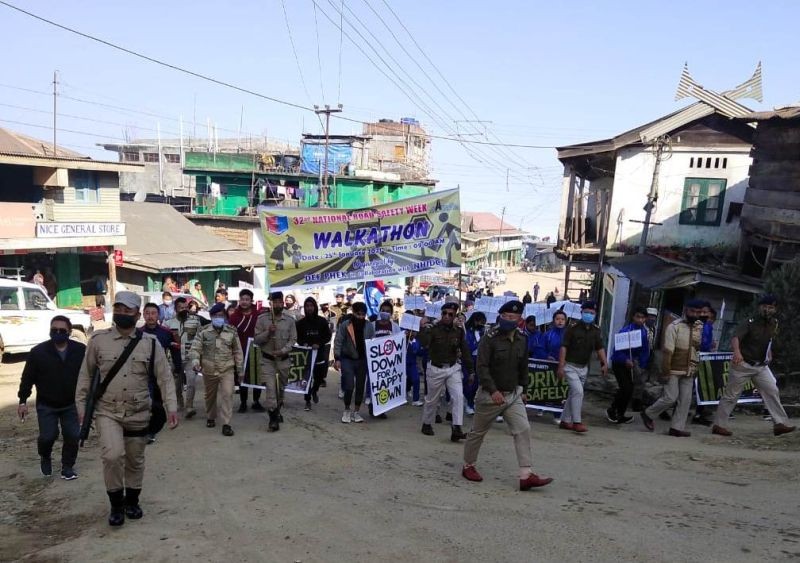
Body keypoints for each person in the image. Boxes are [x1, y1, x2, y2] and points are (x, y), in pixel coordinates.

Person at [75, 291, 178, 527]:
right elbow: (85, 376)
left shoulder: (150, 344)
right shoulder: (98, 341)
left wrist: (171, 407)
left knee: (135, 459)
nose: (122, 313)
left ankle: (132, 501)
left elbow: (165, 378)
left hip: (139, 411)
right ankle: (115, 505)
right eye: (118, 308)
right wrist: (81, 407)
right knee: (112, 456)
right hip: (107, 411)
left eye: (127, 310)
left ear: (137, 314)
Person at [462, 300, 553, 491]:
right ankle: (468, 465)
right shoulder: (490, 338)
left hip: (513, 395)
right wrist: (493, 390)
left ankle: (526, 474)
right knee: (478, 432)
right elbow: (482, 367)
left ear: (519, 319)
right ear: (500, 317)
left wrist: (525, 389)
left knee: (523, 428)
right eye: (505, 317)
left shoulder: (522, 338)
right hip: (490, 396)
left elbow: (524, 367)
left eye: (513, 317)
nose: (508, 320)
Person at [712, 295, 795, 437]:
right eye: (765, 307)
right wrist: (737, 352)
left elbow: (769, 339)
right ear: (759, 307)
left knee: (772, 390)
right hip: (743, 363)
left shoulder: (774, 323)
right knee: (731, 395)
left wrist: (769, 352)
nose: (767, 310)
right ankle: (719, 425)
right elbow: (736, 337)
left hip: (761, 365)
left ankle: (780, 424)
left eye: (770, 307)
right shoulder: (749, 322)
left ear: (775, 309)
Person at [17, 315, 86, 480]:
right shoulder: (38, 352)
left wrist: (88, 400)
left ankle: (67, 466)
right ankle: (45, 455)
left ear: (69, 332)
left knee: (72, 435)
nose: (57, 333)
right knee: (48, 435)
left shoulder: (80, 350)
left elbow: (89, 375)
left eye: (62, 330)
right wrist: (23, 401)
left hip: (71, 403)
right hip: (47, 404)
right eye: (54, 330)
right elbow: (27, 378)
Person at [640, 300, 704, 437]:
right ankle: (648, 413)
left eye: (698, 312)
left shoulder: (699, 327)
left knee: (685, 400)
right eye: (693, 311)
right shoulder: (674, 326)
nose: (695, 314)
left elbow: (697, 348)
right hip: (673, 369)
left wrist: (696, 367)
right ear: (686, 310)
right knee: (670, 397)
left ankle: (676, 428)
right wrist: (665, 371)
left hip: (690, 369)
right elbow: (667, 351)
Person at [418, 302, 475, 442]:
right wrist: (422, 327)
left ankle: (457, 428)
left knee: (458, 397)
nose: (447, 316)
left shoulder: (459, 331)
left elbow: (465, 350)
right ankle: (427, 423)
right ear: (441, 314)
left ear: (455, 315)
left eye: (451, 314)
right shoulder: (433, 329)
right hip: (436, 368)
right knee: (432, 399)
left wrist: (471, 370)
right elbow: (424, 343)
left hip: (453, 367)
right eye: (444, 313)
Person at [188, 303, 242, 437]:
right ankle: (211, 416)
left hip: (227, 369)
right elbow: (195, 348)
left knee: (228, 394)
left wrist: (240, 370)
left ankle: (226, 423)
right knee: (210, 396)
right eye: (216, 316)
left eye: (221, 315)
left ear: (224, 316)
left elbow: (237, 351)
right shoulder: (204, 331)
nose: (219, 318)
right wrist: (195, 362)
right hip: (209, 369)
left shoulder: (231, 331)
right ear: (211, 317)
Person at [557, 300, 608, 433]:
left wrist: (604, 363)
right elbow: (564, 347)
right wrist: (561, 366)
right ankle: (577, 422)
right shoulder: (572, 328)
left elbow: (600, 347)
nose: (589, 315)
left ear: (595, 314)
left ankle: (565, 420)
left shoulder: (596, 330)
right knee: (578, 392)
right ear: (581, 312)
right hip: (570, 366)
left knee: (574, 393)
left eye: (591, 313)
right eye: (586, 312)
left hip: (583, 367)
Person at [254, 291, 297, 432]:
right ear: (270, 304)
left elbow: (292, 340)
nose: (277, 304)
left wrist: (283, 350)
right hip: (268, 360)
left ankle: (278, 410)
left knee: (281, 390)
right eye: (274, 302)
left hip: (283, 361)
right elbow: (257, 340)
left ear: (283, 303)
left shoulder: (290, 320)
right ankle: (272, 419)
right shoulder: (262, 319)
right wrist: (268, 332)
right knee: (271, 389)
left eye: (280, 302)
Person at [139, 303, 181, 440]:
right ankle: (145, 429)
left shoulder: (166, 333)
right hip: (143, 373)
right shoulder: (138, 334)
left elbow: (175, 350)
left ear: (158, 315)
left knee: (157, 402)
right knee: (146, 402)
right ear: (143, 315)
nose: (150, 316)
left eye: (153, 313)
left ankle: (152, 429)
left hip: (160, 372)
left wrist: (178, 367)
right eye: (147, 313)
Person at [607, 307, 649, 425]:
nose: (640, 320)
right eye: (638, 317)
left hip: (632, 363)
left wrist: (642, 363)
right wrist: (625, 359)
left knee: (628, 389)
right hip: (619, 363)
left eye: (642, 317)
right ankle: (615, 411)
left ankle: (617, 411)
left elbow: (644, 350)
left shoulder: (644, 332)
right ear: (633, 317)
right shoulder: (625, 331)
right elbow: (617, 351)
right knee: (626, 388)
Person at [334, 302, 374, 424]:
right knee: (349, 385)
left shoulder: (369, 326)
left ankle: (356, 412)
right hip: (347, 359)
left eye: (363, 314)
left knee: (361, 385)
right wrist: (337, 359)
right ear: (353, 313)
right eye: (358, 314)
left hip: (363, 360)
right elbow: (338, 341)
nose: (361, 317)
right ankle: (346, 410)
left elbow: (373, 343)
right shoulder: (345, 325)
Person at [228, 289, 264, 413]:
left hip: (256, 349)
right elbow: (230, 334)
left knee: (256, 376)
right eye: (242, 299)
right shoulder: (234, 316)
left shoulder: (258, 315)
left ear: (251, 301)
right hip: (240, 351)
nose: (244, 302)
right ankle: (243, 403)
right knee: (241, 376)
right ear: (239, 300)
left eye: (247, 299)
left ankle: (256, 401)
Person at [166, 297, 203, 415]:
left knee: (191, 382)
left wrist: (199, 355)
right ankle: (179, 402)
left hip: (191, 357)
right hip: (175, 358)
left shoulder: (196, 321)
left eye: (185, 307)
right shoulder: (168, 323)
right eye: (180, 308)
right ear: (175, 308)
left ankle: (189, 406)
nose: (183, 310)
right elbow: (164, 341)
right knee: (176, 383)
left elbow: (200, 338)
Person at [295, 297, 332, 412]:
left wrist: (319, 344)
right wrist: (303, 343)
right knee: (307, 379)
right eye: (307, 306)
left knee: (319, 378)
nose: (309, 308)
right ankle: (307, 400)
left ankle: (314, 391)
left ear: (315, 307)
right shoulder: (300, 323)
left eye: (311, 306)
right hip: (306, 355)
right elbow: (297, 337)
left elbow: (328, 336)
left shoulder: (322, 321)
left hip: (320, 354)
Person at [463, 312, 486, 415]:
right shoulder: (467, 331)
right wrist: (479, 342)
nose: (481, 324)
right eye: (479, 321)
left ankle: (471, 402)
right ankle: (468, 403)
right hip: (469, 359)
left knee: (476, 383)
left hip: (479, 359)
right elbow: (468, 347)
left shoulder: (482, 331)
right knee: (469, 382)